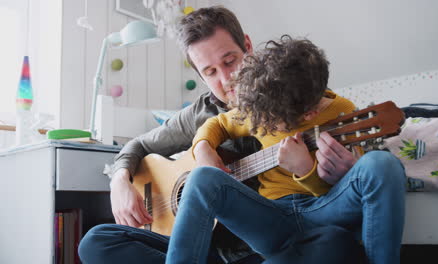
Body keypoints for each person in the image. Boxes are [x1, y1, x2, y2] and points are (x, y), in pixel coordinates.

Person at [79, 6, 361, 264]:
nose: (226, 80)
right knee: (96, 241)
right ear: (200, 75)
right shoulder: (199, 114)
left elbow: (341, 187)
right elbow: (138, 145)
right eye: (210, 71)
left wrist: (346, 172)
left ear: (247, 47)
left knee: (333, 244)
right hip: (202, 245)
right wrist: (120, 180)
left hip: (263, 245)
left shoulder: (293, 94)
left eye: (230, 61)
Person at [165, 36, 407, 264]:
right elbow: (216, 123)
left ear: (310, 113)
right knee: (201, 177)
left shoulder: (343, 113)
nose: (262, 126)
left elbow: (358, 185)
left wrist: (306, 171)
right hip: (271, 219)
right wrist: (204, 147)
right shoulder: (262, 105)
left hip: (324, 209)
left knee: (382, 164)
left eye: (272, 123)